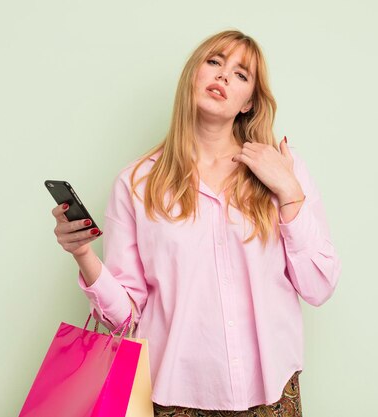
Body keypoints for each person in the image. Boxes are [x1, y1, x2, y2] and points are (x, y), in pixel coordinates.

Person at [51, 29, 342, 417]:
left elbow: (319, 286)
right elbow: (123, 316)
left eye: (241, 74)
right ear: (193, 74)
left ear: (249, 103)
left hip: (271, 393)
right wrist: (83, 253)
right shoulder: (136, 183)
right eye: (215, 62)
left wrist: (289, 193)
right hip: (173, 397)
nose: (223, 77)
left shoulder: (282, 170)